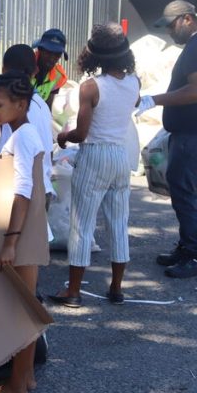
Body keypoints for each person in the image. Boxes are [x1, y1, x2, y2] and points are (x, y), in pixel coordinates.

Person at [49, 23, 140, 308]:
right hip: (120, 156)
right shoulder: (134, 81)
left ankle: (73, 291)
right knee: (118, 223)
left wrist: (63, 137)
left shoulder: (91, 87)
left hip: (95, 156)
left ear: (94, 55)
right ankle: (116, 288)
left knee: (82, 225)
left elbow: (81, 133)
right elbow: (132, 104)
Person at [137, 0, 197, 279]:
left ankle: (194, 253)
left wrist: (155, 100)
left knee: (185, 190)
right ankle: (192, 247)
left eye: (172, 25)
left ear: (187, 19)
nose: (169, 32)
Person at [0, 70, 48, 393]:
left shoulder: (21, 136)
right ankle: (27, 377)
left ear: (20, 104)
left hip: (21, 232)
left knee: (22, 311)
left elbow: (21, 190)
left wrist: (10, 242)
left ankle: (17, 386)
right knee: (27, 305)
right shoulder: (24, 130)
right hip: (29, 228)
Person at [0, 44, 56, 198]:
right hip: (43, 187)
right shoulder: (42, 104)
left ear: (3, 71)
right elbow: (48, 152)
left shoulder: (11, 106)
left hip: (21, 192)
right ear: (35, 72)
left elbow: (3, 157)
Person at [31, 28, 69, 109]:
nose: (52, 58)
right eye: (48, 52)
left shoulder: (58, 76)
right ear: (40, 50)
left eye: (57, 54)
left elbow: (47, 108)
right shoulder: (24, 66)